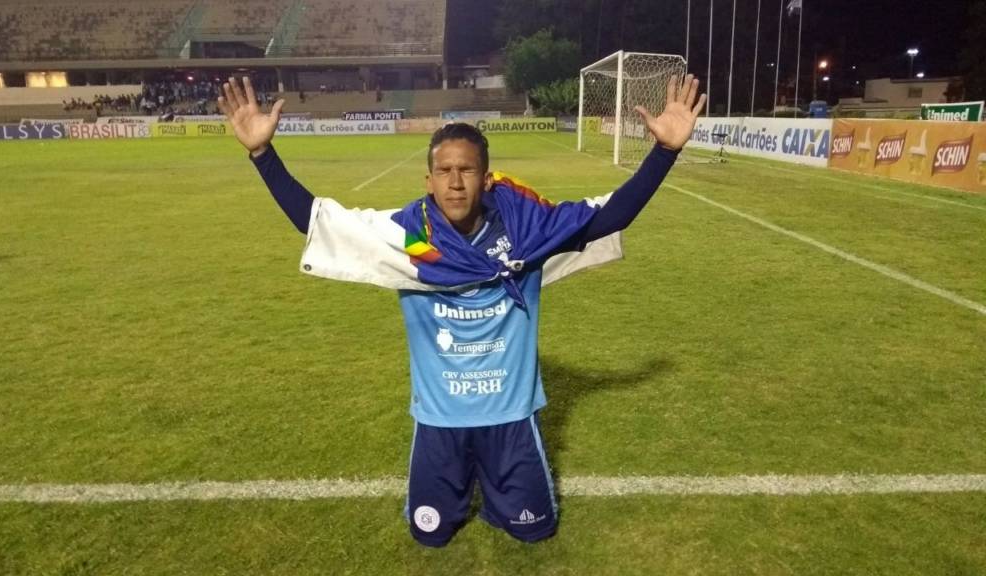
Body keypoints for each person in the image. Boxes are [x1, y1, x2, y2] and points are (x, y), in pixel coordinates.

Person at [218, 75, 705, 547]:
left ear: (486, 178)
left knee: (534, 532)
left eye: (467, 170)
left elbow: (610, 214)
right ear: (429, 181)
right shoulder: (406, 238)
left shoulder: (530, 233)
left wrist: (665, 152)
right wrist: (262, 154)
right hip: (439, 421)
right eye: (444, 172)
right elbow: (316, 219)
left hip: (511, 419)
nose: (455, 183)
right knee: (429, 536)